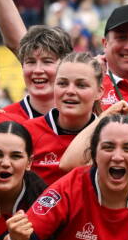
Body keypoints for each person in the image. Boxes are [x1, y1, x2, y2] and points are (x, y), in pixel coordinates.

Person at [19, 52, 102, 185]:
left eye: (81, 85)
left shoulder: (110, 136)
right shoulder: (27, 132)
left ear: (99, 92)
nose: (70, 91)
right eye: (62, 83)